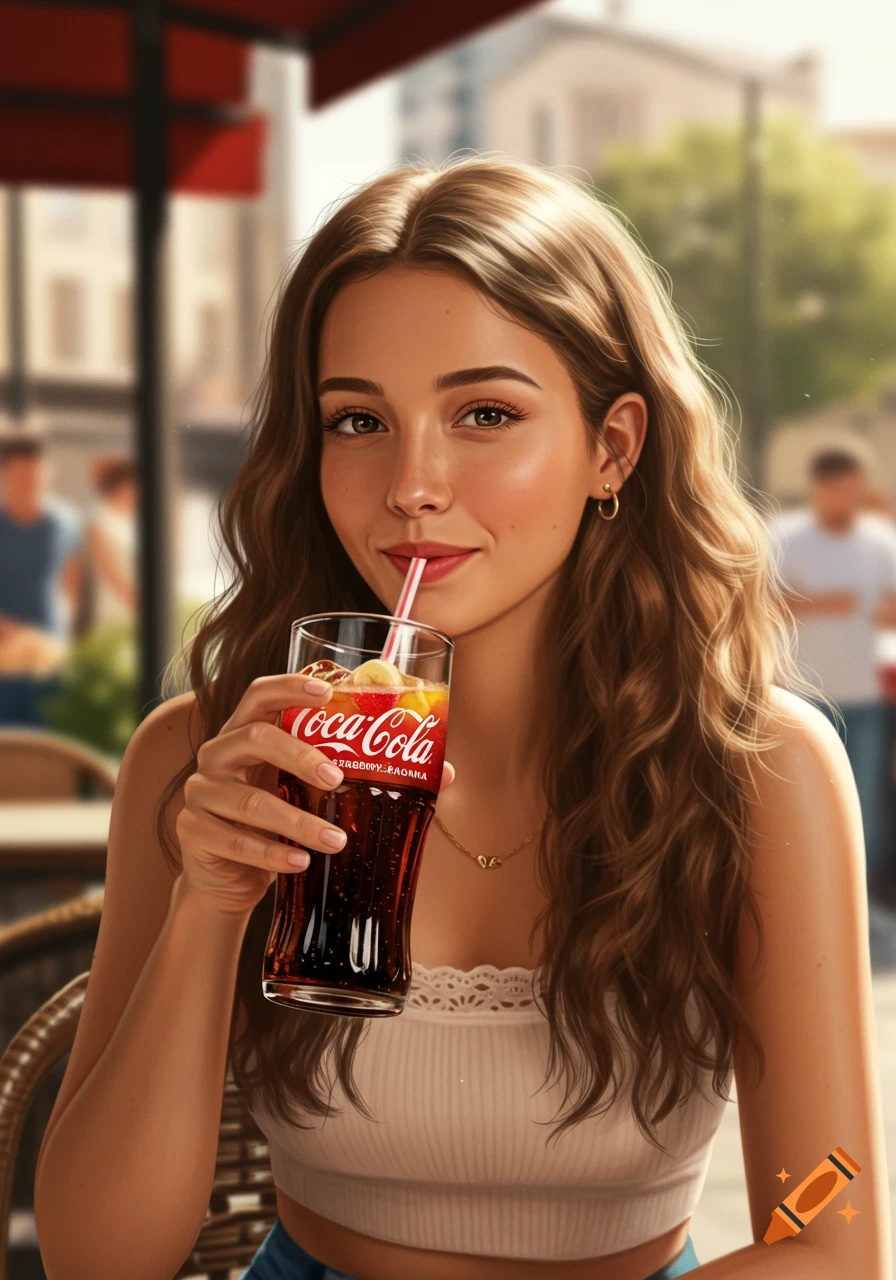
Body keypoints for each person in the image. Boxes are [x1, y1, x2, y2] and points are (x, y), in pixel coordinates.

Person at [34, 158, 888, 1280]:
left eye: (484, 412)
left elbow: (827, 1235)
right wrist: (210, 902)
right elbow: (97, 1260)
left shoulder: (756, 769)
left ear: (611, 446)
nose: (411, 484)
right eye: (356, 420)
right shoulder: (201, 758)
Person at [768, 448, 896, 903]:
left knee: (863, 804)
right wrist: (819, 604)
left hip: (863, 697)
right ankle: (803, 900)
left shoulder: (880, 541)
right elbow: (755, 605)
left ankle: (856, 904)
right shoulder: (783, 537)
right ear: (817, 488)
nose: (845, 499)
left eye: (851, 489)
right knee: (799, 802)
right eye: (835, 490)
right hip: (800, 697)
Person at [0, 435, 84, 726]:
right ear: (6, 475)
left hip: (50, 655)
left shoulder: (65, 522)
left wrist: (64, 629)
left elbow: (72, 577)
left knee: (48, 745)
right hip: (4, 659)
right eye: (21, 476)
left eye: (36, 475)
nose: (30, 483)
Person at [85, 457, 139, 629]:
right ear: (121, 486)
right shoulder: (100, 521)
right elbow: (109, 571)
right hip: (116, 604)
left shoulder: (136, 520)